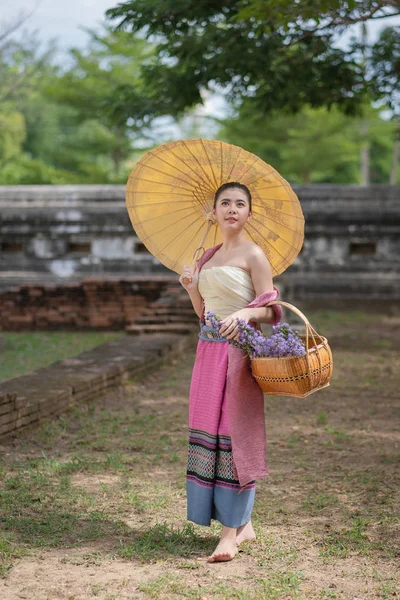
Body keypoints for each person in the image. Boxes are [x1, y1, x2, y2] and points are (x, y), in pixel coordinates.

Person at [179, 181, 281, 563]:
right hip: (207, 353)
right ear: (214, 211)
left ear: (249, 213)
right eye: (226, 203)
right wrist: (191, 287)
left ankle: (228, 535)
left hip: (239, 355)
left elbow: (272, 310)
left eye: (240, 204)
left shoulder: (254, 254)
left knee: (234, 434)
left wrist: (245, 312)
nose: (233, 209)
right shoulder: (207, 256)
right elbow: (203, 313)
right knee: (210, 430)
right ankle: (245, 523)